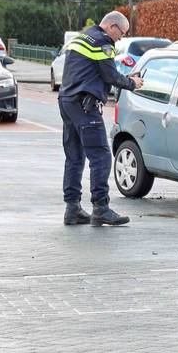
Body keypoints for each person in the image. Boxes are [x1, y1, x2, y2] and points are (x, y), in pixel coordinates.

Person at [58, 11, 144, 226]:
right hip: (85, 106)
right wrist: (132, 83)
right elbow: (109, 75)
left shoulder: (83, 37)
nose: (121, 38)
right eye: (122, 33)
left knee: (74, 156)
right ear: (112, 26)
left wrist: (123, 77)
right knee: (101, 157)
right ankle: (101, 208)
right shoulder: (103, 42)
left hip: (68, 102)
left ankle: (72, 209)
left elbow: (92, 72)